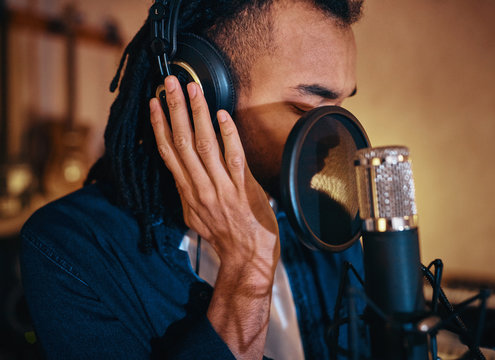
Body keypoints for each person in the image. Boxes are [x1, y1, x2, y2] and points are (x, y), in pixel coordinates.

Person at [20, 0, 368, 359]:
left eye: (340, 108)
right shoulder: (71, 249)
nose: (334, 139)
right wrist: (249, 268)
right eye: (306, 108)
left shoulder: (329, 217)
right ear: (201, 88)